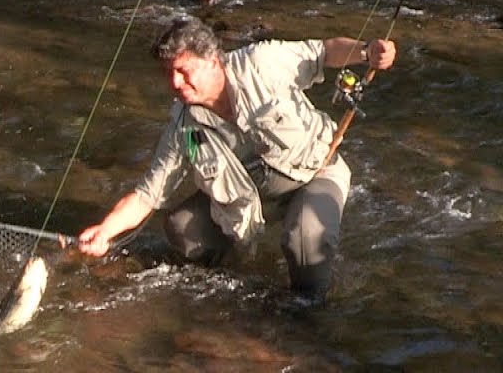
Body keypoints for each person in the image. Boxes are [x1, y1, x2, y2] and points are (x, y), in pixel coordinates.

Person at [75, 17, 397, 302]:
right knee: (182, 227)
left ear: (213, 60)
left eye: (183, 71)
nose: (175, 83)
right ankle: (225, 283)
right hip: (252, 198)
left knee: (303, 242)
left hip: (315, 173)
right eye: (168, 74)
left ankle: (307, 312)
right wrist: (105, 231)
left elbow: (324, 52)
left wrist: (366, 52)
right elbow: (148, 194)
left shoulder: (261, 64)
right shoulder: (185, 128)